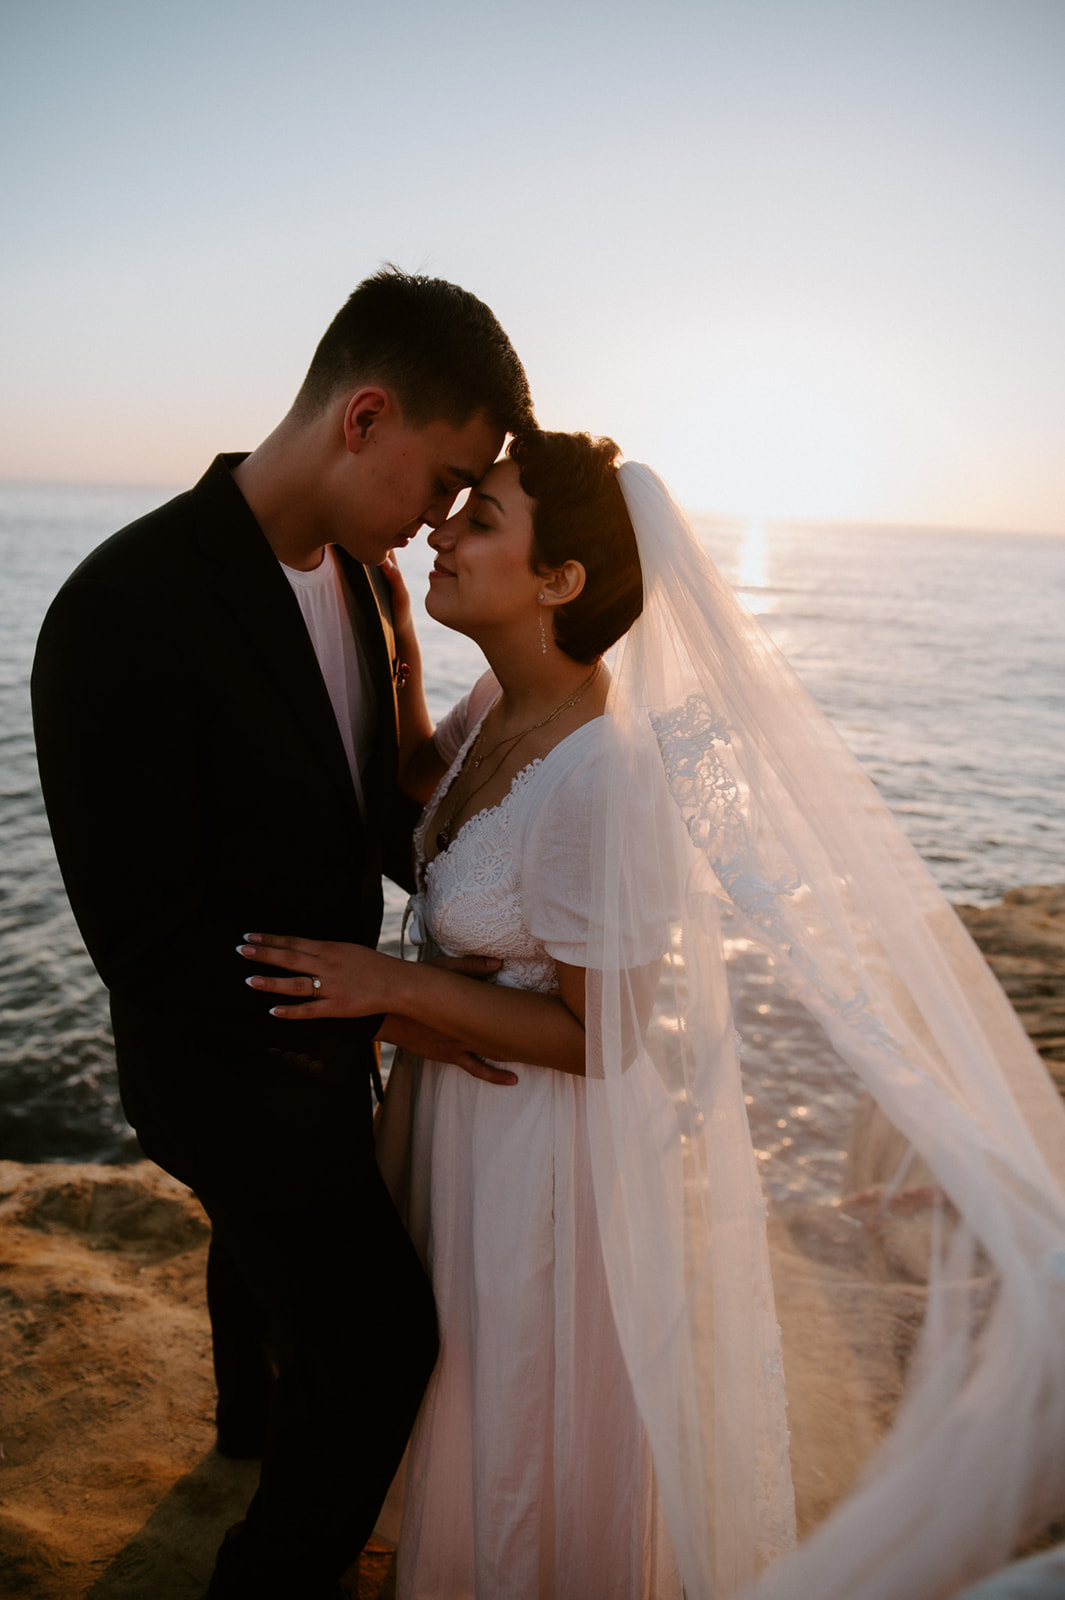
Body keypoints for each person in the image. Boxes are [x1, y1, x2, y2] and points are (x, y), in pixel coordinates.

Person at [238, 432, 1065, 1600]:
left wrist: (390, 988)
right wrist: (389, 634)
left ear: (560, 581)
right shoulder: (502, 700)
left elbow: (609, 1037)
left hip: (537, 1157)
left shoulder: (603, 775)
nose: (441, 530)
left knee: (516, 1406)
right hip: (458, 1118)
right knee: (446, 1393)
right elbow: (427, 786)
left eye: (481, 519)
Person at [30, 268, 534, 1600]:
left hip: (333, 1034)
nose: (442, 521)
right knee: (377, 1341)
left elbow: (376, 819)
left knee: (264, 1269)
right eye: (444, 481)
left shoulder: (364, 588)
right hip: (215, 1063)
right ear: (363, 416)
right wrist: (393, 1005)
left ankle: (245, 1428)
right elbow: (143, 942)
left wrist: (521, 729)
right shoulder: (121, 610)